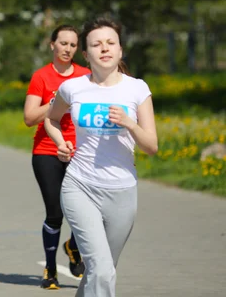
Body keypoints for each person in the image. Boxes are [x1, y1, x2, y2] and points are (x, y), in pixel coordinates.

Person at [44, 16, 158, 297]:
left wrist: (130, 124)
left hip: (122, 191)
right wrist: (61, 143)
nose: (104, 48)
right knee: (102, 269)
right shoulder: (73, 87)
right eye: (96, 44)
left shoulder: (137, 89)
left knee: (102, 270)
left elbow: (151, 145)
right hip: (80, 185)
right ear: (86, 54)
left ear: (120, 50)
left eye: (111, 43)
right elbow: (52, 119)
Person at [24, 25, 90, 289]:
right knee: (55, 214)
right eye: (63, 43)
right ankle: (50, 270)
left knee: (83, 212)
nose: (68, 49)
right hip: (47, 151)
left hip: (80, 151)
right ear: (52, 45)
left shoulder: (86, 76)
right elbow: (29, 118)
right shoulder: (41, 77)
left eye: (73, 45)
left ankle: (73, 247)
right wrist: (54, 103)